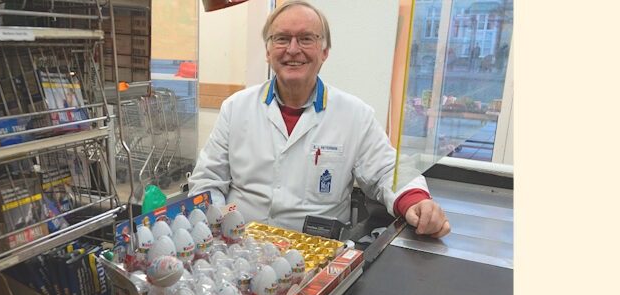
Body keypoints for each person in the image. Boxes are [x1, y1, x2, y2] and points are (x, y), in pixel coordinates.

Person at [188, 0, 450, 238]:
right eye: (281, 39)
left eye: (305, 39)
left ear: (324, 52)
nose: (292, 49)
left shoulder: (354, 114)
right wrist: (214, 228)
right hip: (238, 246)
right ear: (268, 51)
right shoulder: (236, 108)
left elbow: (387, 171)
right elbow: (208, 180)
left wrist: (416, 201)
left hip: (317, 256)